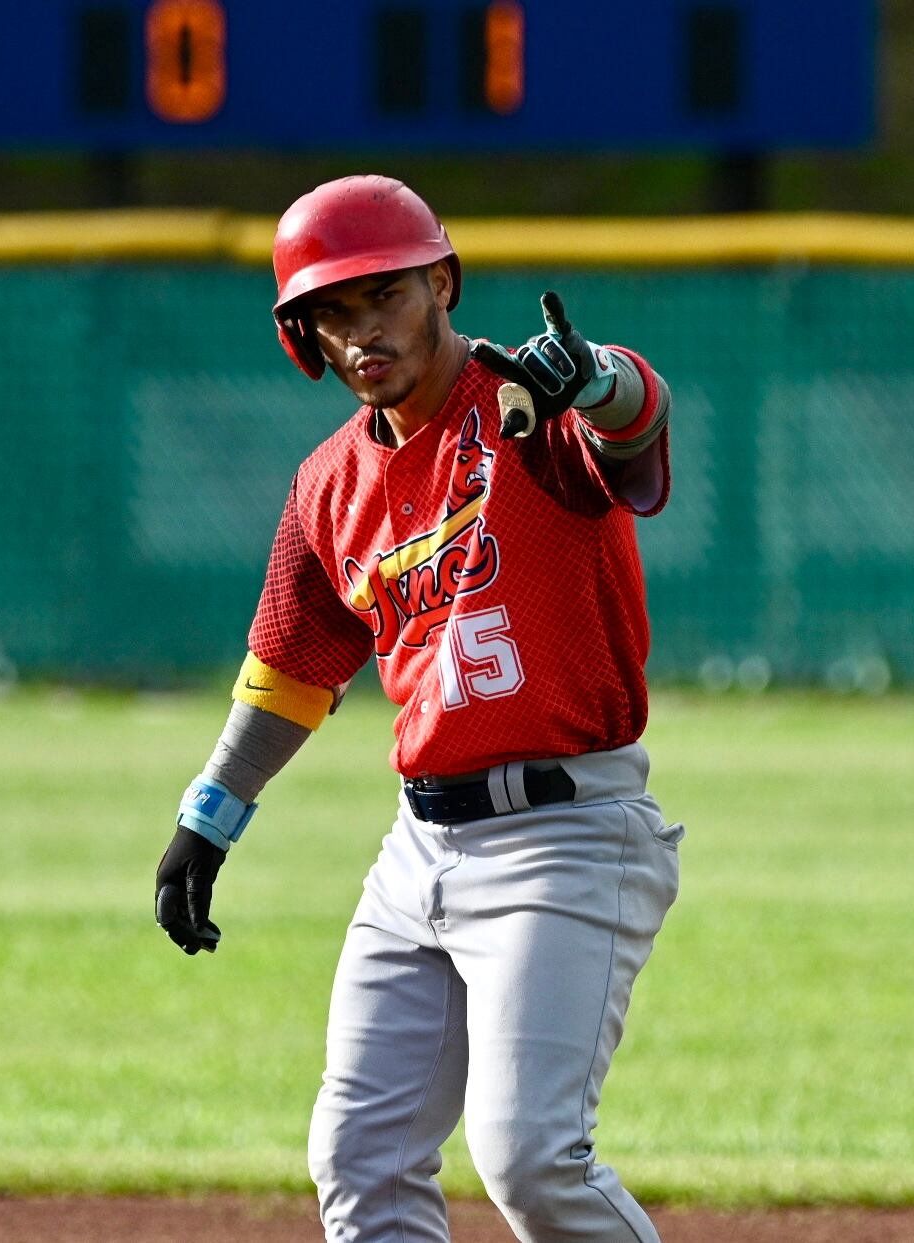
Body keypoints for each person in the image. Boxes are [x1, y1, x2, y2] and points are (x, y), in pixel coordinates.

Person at [152, 175, 681, 1243]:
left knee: (530, 1160)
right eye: (331, 314)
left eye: (382, 296)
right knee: (359, 1162)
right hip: (416, 852)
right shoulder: (327, 484)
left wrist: (598, 379)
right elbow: (290, 670)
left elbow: (635, 427)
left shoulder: (525, 407)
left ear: (440, 282)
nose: (360, 332)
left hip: (563, 835)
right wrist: (207, 820)